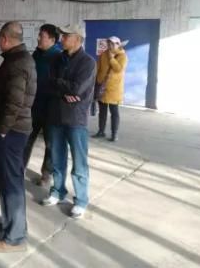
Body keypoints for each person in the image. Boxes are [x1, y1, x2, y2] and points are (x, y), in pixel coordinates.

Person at [0, 22, 37, 253]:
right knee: (7, 180)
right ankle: (10, 224)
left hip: (12, 132)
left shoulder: (18, 63)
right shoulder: (16, 59)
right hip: (11, 130)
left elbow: (15, 102)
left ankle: (15, 238)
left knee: (11, 183)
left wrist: (3, 129)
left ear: (5, 38)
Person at [41, 24, 96, 219]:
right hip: (56, 115)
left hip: (75, 119)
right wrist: (64, 90)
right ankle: (57, 191)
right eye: (62, 35)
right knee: (57, 158)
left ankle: (80, 201)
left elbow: (77, 89)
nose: (62, 39)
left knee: (79, 163)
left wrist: (61, 86)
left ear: (78, 39)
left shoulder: (88, 63)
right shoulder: (57, 59)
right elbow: (48, 84)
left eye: (66, 36)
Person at [23, 24, 61, 186]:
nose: (38, 38)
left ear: (52, 39)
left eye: (42, 36)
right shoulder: (37, 54)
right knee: (26, 138)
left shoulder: (58, 57)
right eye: (39, 35)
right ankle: (19, 168)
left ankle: (46, 174)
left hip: (51, 107)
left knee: (50, 143)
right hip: (34, 105)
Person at [93, 36, 128, 142]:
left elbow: (118, 69)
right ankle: (101, 131)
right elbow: (98, 67)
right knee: (102, 111)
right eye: (109, 43)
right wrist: (95, 81)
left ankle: (114, 134)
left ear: (118, 44)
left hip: (114, 89)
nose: (110, 45)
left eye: (113, 43)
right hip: (102, 87)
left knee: (114, 112)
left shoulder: (122, 56)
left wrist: (112, 58)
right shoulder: (103, 54)